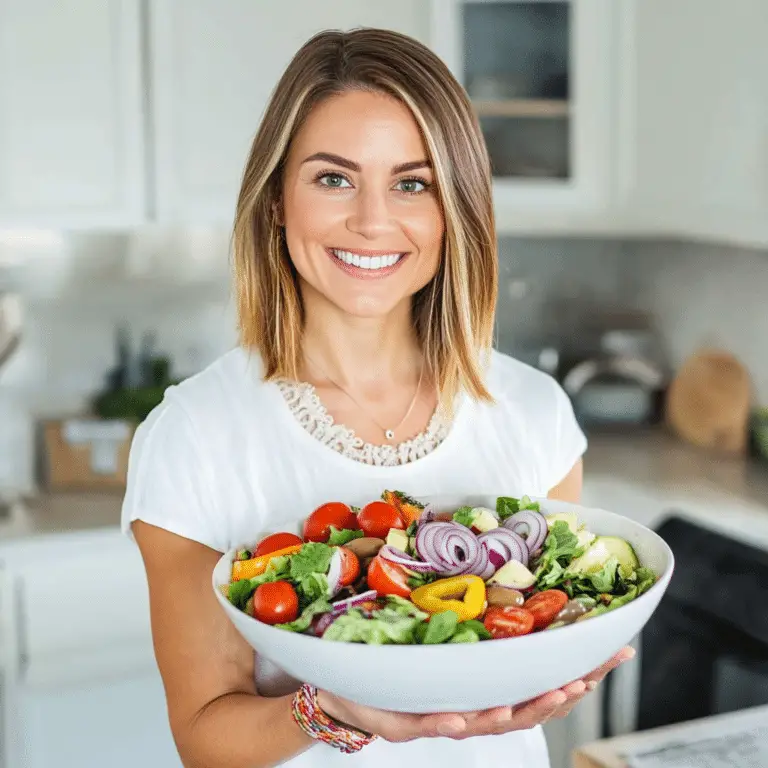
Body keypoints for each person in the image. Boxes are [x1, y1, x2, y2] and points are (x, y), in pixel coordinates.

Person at [122, 27, 634, 768]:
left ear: (452, 208)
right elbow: (205, 737)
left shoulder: (534, 410)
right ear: (275, 200)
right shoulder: (195, 435)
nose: (372, 220)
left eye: (412, 182)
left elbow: (532, 647)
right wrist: (330, 711)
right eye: (333, 178)